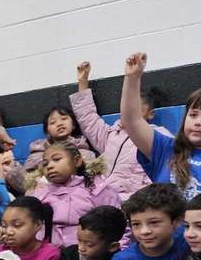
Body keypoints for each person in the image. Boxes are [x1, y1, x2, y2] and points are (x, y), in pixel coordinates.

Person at [121, 52, 201, 200]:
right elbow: (131, 121)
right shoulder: (165, 149)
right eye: (193, 115)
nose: (198, 121)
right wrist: (132, 78)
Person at [71, 60, 172, 202]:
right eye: (127, 107)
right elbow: (88, 118)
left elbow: (164, 173)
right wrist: (82, 82)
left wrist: (140, 200)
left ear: (151, 114)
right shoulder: (111, 134)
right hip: (102, 196)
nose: (130, 112)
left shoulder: (159, 137)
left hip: (134, 201)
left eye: (137, 109)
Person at [30, 141, 120, 248]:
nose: (49, 166)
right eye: (45, 164)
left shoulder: (97, 189)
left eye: (57, 159)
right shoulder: (39, 194)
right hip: (51, 256)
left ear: (77, 161)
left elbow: (116, 225)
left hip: (89, 255)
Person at [21, 105, 96, 174]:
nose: (59, 124)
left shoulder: (85, 153)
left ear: (73, 125)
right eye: (53, 122)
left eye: (64, 119)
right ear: (47, 131)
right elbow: (27, 179)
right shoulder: (37, 154)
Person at [58, 205, 126, 260]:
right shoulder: (68, 256)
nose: (81, 248)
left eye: (89, 245)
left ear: (112, 246)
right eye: (79, 240)